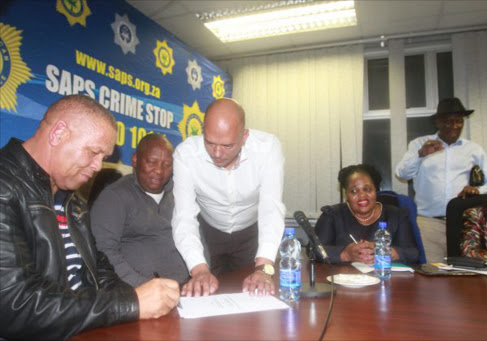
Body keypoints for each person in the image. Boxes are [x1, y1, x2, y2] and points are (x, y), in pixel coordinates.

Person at [0, 95, 180, 340]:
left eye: (103, 159)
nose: (97, 167)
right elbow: (14, 305)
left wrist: (145, 295)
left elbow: (99, 267)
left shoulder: (71, 198)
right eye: (93, 153)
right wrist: (131, 303)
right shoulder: (5, 187)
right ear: (58, 134)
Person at [172, 98, 285, 297]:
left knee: (254, 296)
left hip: (251, 234)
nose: (217, 153)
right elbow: (184, 216)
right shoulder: (186, 154)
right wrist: (199, 270)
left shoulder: (267, 148)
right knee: (205, 295)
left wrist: (263, 268)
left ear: (244, 137)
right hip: (208, 234)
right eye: (210, 142)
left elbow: (271, 209)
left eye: (227, 146)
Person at [395, 97, 487, 263]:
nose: (454, 126)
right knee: (432, 274)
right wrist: (421, 154)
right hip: (429, 224)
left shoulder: (473, 149)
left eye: (458, 121)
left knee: (463, 273)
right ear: (437, 123)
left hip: (464, 223)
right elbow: (402, 173)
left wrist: (477, 190)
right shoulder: (419, 143)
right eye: (448, 122)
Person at [91, 133, 189, 287]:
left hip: (188, 288)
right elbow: (103, 252)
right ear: (135, 160)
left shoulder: (180, 194)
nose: (159, 170)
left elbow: (196, 236)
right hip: (141, 293)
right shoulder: (114, 197)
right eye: (151, 162)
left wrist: (199, 272)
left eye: (166, 164)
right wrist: (143, 287)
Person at [315, 164, 420, 264]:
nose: (362, 195)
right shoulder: (332, 215)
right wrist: (345, 254)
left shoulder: (396, 215)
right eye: (354, 191)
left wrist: (385, 252)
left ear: (376, 190)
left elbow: (413, 253)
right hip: (343, 279)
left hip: (385, 277)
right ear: (346, 194)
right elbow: (314, 249)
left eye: (367, 189)